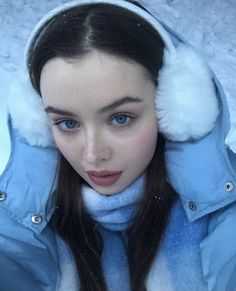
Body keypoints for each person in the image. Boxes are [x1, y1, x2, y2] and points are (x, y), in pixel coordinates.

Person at [1, 0, 236, 290]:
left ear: (172, 106)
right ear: (40, 124)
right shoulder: (21, 224)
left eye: (121, 118)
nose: (93, 155)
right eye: (68, 123)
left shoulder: (223, 208)